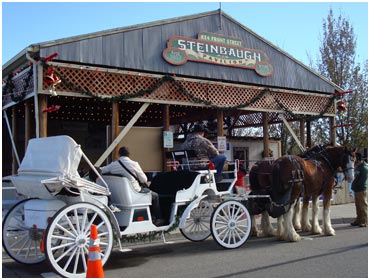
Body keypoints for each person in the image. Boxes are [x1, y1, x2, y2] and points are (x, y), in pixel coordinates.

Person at [101, 146, 164, 226]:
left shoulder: (114, 165)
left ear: (119, 154)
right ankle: (158, 218)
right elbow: (144, 180)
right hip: (134, 192)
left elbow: (102, 170)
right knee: (155, 196)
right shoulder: (134, 164)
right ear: (129, 154)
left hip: (117, 197)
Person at [350, 153, 368, 227]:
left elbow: (362, 180)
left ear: (358, 159)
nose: (354, 161)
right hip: (356, 189)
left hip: (361, 189)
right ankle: (359, 219)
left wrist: (355, 185)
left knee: (363, 205)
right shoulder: (357, 167)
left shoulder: (364, 168)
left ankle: (365, 221)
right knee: (357, 206)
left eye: (355, 159)